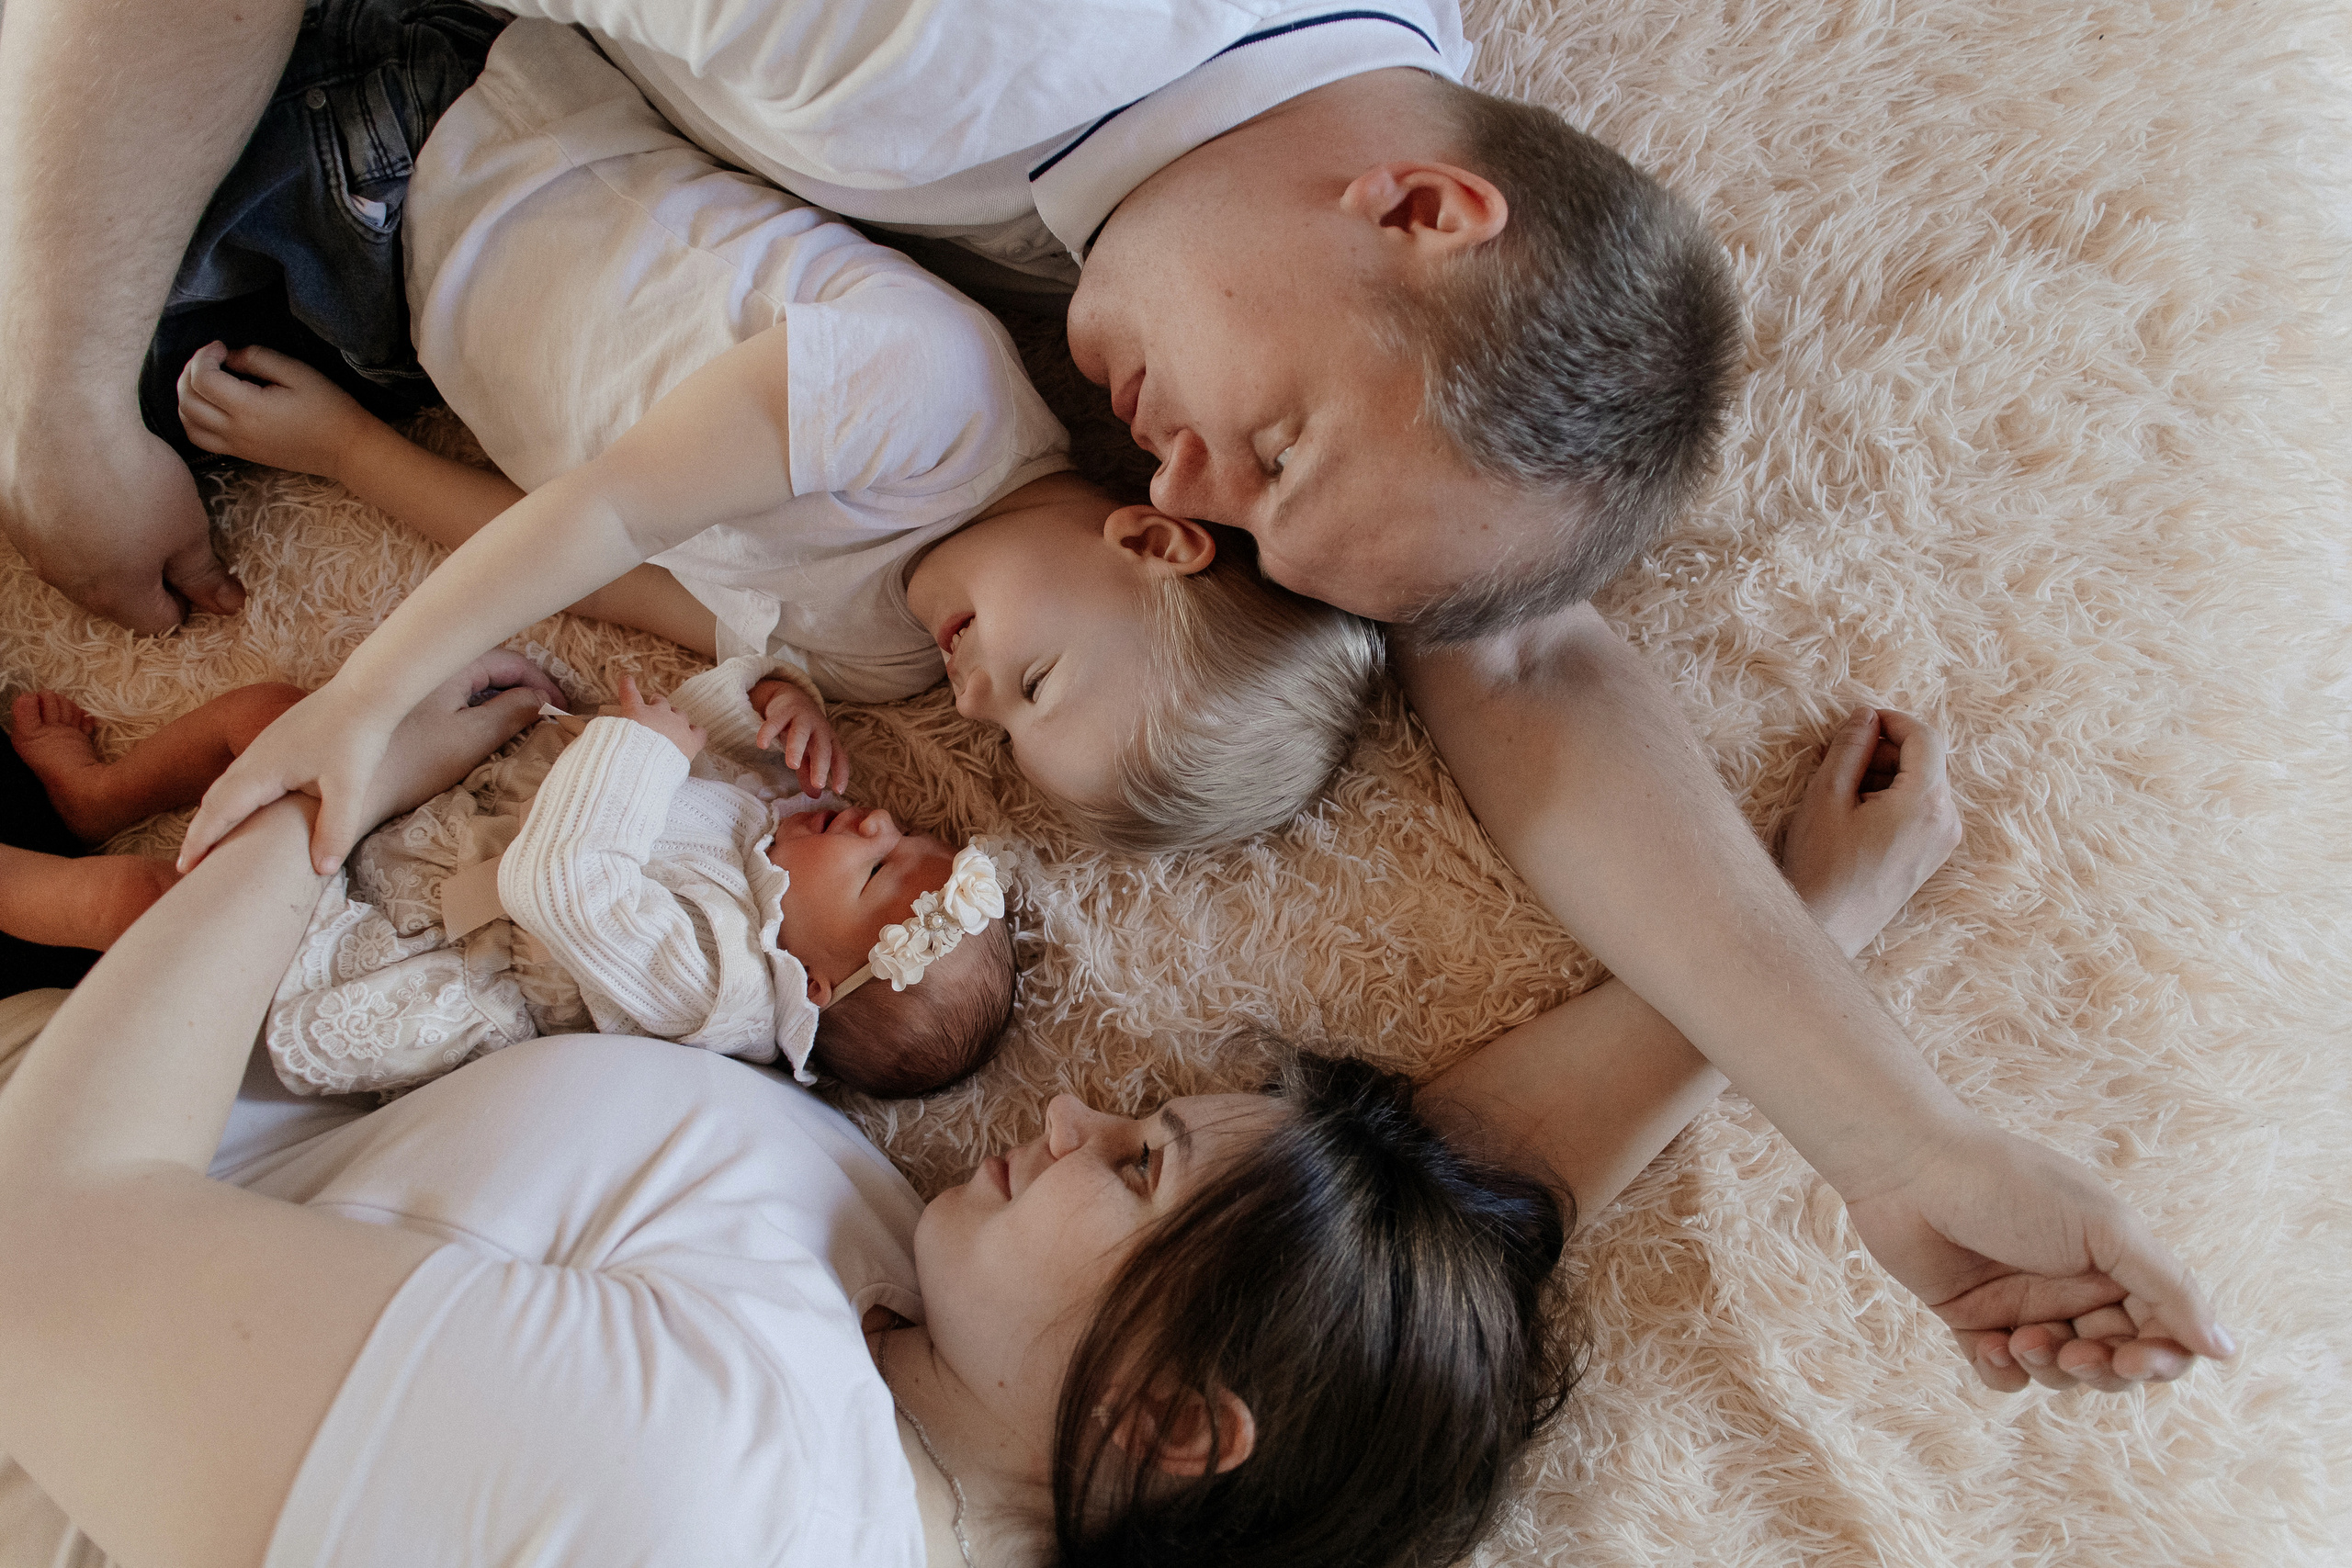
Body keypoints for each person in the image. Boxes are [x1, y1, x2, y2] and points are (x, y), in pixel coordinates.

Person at [0, 0, 2233, 1387]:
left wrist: (1895, 1137)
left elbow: (1527, 658)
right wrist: (59, 392)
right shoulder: (952, 37)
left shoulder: (1302, 166)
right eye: (1256, 456)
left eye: (1235, 508)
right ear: (1422, 206)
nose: (1162, 482)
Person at [0, 683, 2010, 1568]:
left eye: (1128, 1161)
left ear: (1166, 1426)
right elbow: (1410, 1235)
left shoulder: (702, 1473)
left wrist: (320, 780)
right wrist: (1784, 967)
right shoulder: (943, 1356)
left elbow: (47, 1250)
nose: (1072, 1123)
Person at [167, 17, 1383, 857]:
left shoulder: (878, 664)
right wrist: (365, 702)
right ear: (1149, 538)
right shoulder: (933, 401)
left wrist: (347, 456)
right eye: (1035, 679)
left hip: (396, 325)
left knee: (155, 412)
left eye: (997, 734)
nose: (970, 696)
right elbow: (605, 513)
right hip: (430, 137)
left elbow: (620, 583)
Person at [3, 662, 1016, 1100]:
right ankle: (98, 794)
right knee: (278, 716)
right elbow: (698, 741)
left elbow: (563, 885)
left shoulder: (720, 990)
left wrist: (640, 752)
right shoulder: (779, 850)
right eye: (906, 831)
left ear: (816, 983)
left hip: (385, 948)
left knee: (148, 911)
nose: (878, 820)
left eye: (879, 866)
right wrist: (766, 695)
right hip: (429, 836)